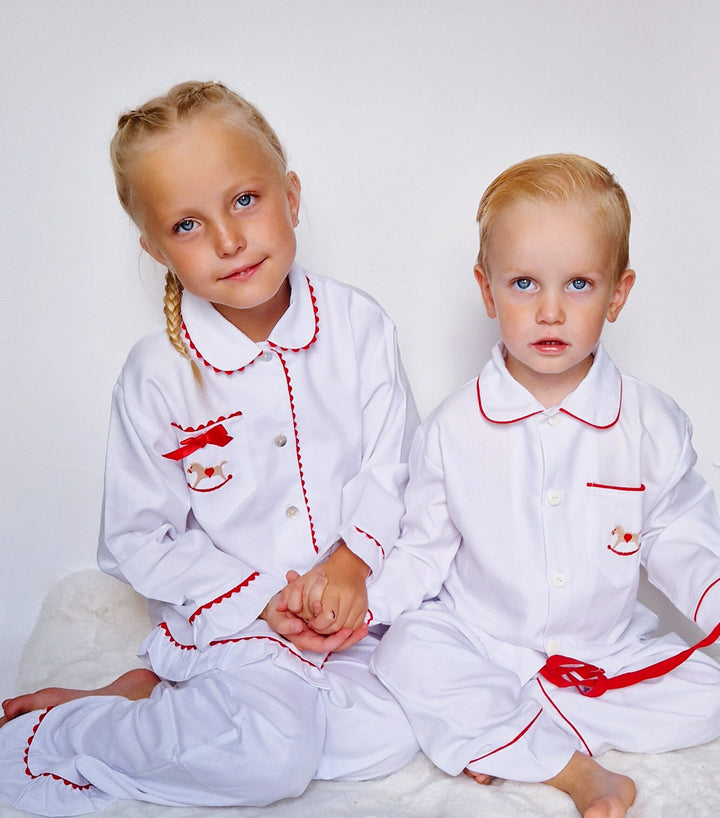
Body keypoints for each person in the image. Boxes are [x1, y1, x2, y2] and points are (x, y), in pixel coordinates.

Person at [0, 80, 419, 814]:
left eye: (246, 201)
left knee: (401, 733)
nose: (228, 240)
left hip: (356, 608)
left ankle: (163, 689)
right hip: (242, 622)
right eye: (188, 226)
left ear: (290, 195)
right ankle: (77, 727)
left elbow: (392, 466)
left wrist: (351, 565)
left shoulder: (359, 327)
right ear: (156, 247)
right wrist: (262, 602)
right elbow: (136, 539)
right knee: (266, 765)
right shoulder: (158, 374)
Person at [366, 154, 720, 818]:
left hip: (603, 657)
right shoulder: (453, 427)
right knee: (408, 652)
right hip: (483, 643)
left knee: (709, 692)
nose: (551, 310)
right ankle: (574, 770)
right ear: (487, 289)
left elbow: (680, 537)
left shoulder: (650, 422)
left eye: (580, 284)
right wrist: (361, 610)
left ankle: (508, 735)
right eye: (524, 283)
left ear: (618, 293)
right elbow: (422, 552)